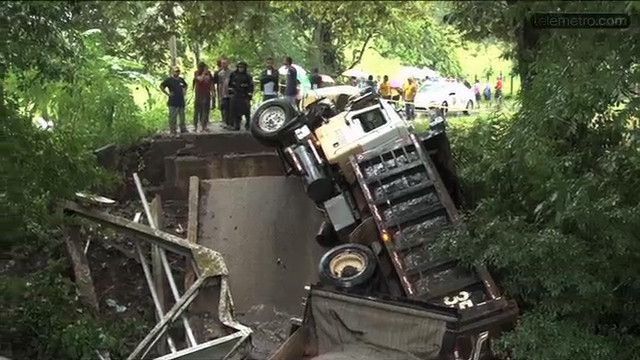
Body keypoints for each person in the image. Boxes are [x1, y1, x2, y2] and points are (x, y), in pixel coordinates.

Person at [160, 66, 188, 135]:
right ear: (173, 72)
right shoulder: (169, 80)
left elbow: (185, 85)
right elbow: (161, 86)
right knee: (173, 117)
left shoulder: (181, 80)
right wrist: (167, 94)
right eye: (175, 71)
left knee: (182, 116)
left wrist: (184, 91)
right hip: (173, 101)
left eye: (178, 71)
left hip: (181, 101)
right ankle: (173, 130)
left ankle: (183, 129)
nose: (177, 72)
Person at [229, 61, 254, 131]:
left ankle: (247, 124)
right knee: (235, 111)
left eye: (242, 67)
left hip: (244, 95)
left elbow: (251, 86)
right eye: (239, 67)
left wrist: (249, 95)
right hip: (236, 95)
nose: (241, 69)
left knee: (246, 111)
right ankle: (236, 125)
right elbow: (230, 85)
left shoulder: (248, 76)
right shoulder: (233, 75)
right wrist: (231, 93)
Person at [192, 62, 214, 132]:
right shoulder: (197, 73)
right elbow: (200, 79)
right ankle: (195, 126)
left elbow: (211, 82)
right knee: (197, 110)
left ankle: (204, 125)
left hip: (207, 93)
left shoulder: (209, 73)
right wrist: (204, 73)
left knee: (206, 110)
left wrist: (213, 91)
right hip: (199, 94)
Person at [213, 57, 233, 130]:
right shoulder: (220, 73)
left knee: (231, 108)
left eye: (225, 63)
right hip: (223, 93)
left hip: (230, 93)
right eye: (222, 63)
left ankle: (231, 123)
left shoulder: (231, 72)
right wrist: (220, 93)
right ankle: (225, 122)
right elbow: (219, 84)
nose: (224, 65)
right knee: (224, 108)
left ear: (228, 64)